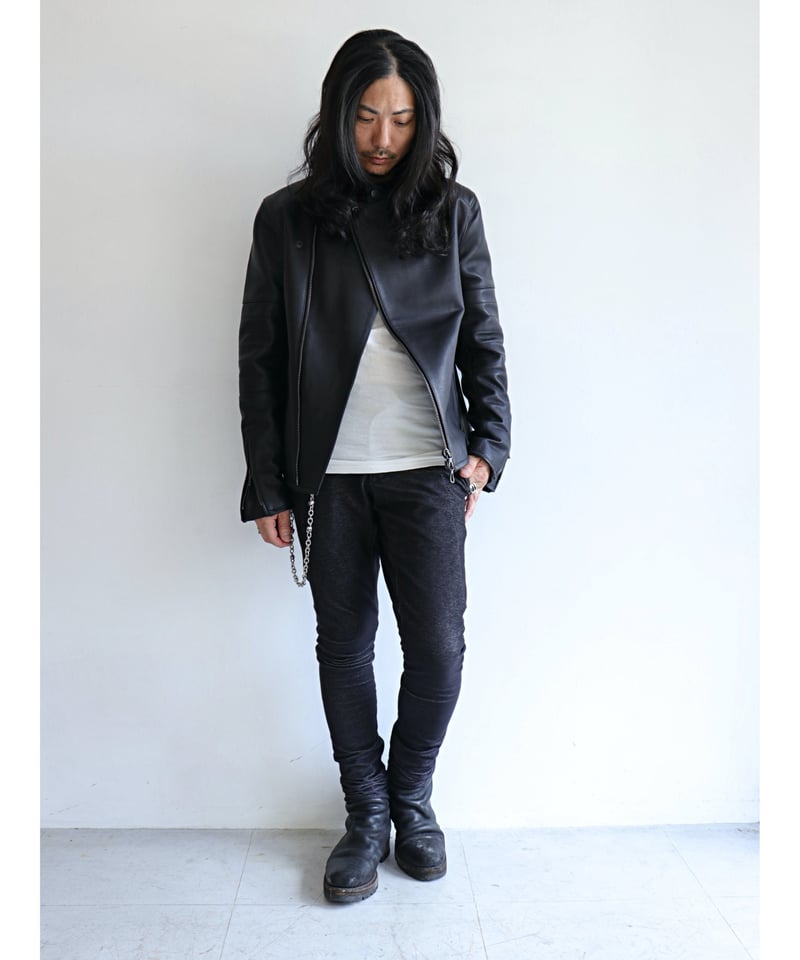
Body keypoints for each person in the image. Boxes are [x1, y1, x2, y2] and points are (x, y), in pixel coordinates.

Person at [238, 28, 511, 904]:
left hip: (429, 470)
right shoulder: (286, 220)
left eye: (400, 118)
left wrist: (489, 448)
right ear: (337, 114)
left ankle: (410, 798)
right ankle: (365, 813)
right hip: (328, 478)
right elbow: (260, 358)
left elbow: (483, 337)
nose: (383, 137)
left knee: (438, 650)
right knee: (345, 647)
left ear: (423, 119)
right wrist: (267, 481)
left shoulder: (453, 211)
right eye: (365, 116)